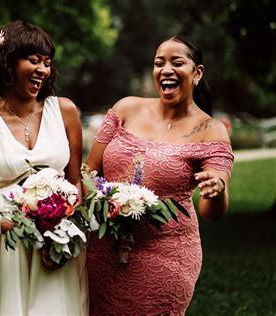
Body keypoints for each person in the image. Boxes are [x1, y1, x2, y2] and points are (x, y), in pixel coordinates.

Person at [85, 36, 234, 315]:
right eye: (158, 63)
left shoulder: (210, 130)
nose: (166, 69)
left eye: (177, 62)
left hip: (165, 256)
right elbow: (89, 171)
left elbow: (210, 211)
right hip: (102, 249)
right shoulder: (126, 108)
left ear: (197, 73)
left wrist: (217, 189)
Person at [0, 21, 88, 315]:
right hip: (5, 242)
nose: (43, 70)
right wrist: (7, 227)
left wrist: (62, 229)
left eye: (47, 63)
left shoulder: (65, 110)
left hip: (56, 239)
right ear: (7, 62)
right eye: (34, 60)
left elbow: (75, 180)